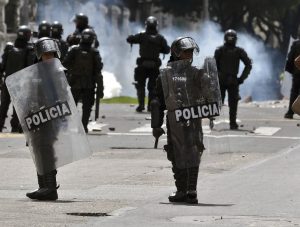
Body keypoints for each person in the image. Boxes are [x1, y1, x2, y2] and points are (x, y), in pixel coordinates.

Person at [151, 37, 221, 204]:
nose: (188, 55)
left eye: (190, 51)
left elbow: (209, 96)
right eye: (185, 51)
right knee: (175, 154)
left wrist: (210, 94)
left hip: (193, 118)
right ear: (176, 52)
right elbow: (157, 102)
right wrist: (156, 124)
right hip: (174, 119)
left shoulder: (197, 73)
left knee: (194, 152)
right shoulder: (165, 74)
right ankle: (181, 190)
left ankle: (191, 191)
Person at [25, 37, 62, 200]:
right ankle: (44, 186)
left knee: (45, 150)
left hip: (50, 117)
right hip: (36, 117)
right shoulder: (35, 72)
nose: (49, 57)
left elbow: (64, 96)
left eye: (51, 54)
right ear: (39, 55)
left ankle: (50, 187)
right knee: (38, 150)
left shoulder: (58, 72)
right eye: (46, 54)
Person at [63, 28, 104, 133]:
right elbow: (98, 69)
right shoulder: (94, 52)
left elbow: (65, 64)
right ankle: (83, 126)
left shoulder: (74, 50)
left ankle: (69, 126)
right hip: (89, 83)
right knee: (87, 107)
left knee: (72, 105)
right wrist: (100, 87)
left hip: (75, 82)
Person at [126, 16, 170, 112]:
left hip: (142, 65)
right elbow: (167, 50)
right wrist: (159, 48)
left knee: (140, 85)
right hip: (154, 65)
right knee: (153, 87)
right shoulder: (160, 38)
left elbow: (129, 39)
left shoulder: (141, 36)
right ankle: (150, 106)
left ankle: (141, 105)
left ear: (146, 25)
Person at [214, 29, 252, 129]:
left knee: (224, 102)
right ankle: (230, 123)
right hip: (228, 80)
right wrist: (241, 78)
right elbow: (248, 65)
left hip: (226, 80)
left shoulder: (222, 50)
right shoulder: (225, 50)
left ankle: (216, 119)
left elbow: (248, 65)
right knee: (226, 102)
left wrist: (241, 78)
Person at [0, 25, 35, 132]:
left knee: (4, 105)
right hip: (20, 82)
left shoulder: (9, 48)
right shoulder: (29, 50)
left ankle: (0, 125)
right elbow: (30, 68)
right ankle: (14, 127)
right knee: (18, 107)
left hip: (7, 81)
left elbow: (2, 66)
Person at [284, 38, 300, 119]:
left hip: (297, 73)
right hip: (297, 72)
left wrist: (290, 70)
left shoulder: (296, 44)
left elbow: (291, 58)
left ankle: (290, 112)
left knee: (294, 92)